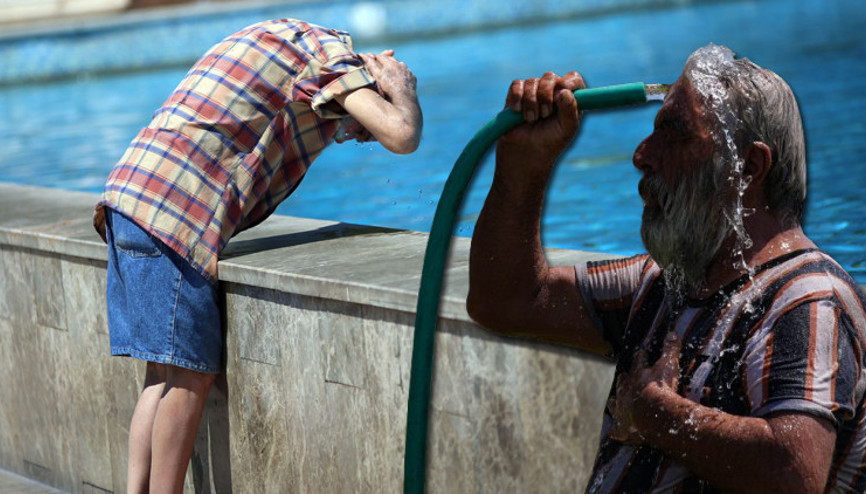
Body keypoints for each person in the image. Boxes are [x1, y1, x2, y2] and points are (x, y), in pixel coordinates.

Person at [466, 44, 865, 493]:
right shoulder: (664, 283)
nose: (641, 154)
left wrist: (655, 413)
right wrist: (525, 165)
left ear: (748, 168)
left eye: (673, 133)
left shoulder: (809, 299)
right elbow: (505, 300)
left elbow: (793, 472)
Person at [93, 18, 422, 493]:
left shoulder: (282, 36)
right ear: (371, 82)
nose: (353, 135)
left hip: (130, 197)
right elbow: (402, 134)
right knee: (189, 378)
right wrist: (401, 91)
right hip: (175, 213)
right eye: (356, 126)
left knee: (158, 377)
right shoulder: (334, 61)